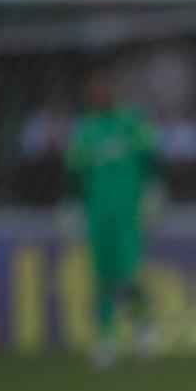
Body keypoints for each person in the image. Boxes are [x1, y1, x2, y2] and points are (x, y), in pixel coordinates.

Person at [65, 58, 161, 369]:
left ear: (112, 92)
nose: (99, 95)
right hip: (98, 214)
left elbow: (152, 159)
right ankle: (106, 338)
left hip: (128, 213)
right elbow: (75, 174)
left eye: (103, 89)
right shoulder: (86, 130)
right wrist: (71, 206)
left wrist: (154, 192)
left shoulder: (131, 122)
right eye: (94, 91)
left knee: (129, 274)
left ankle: (144, 326)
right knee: (103, 277)